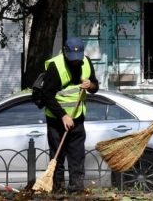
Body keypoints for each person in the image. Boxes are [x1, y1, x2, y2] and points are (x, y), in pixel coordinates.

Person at [41, 37, 99, 193]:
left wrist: (90, 85)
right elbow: (47, 95)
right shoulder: (55, 66)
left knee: (77, 155)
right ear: (65, 52)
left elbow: (95, 86)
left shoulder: (86, 62)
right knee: (58, 156)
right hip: (56, 119)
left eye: (78, 58)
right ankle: (57, 188)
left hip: (77, 117)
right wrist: (63, 116)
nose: (75, 62)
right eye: (72, 59)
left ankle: (77, 188)